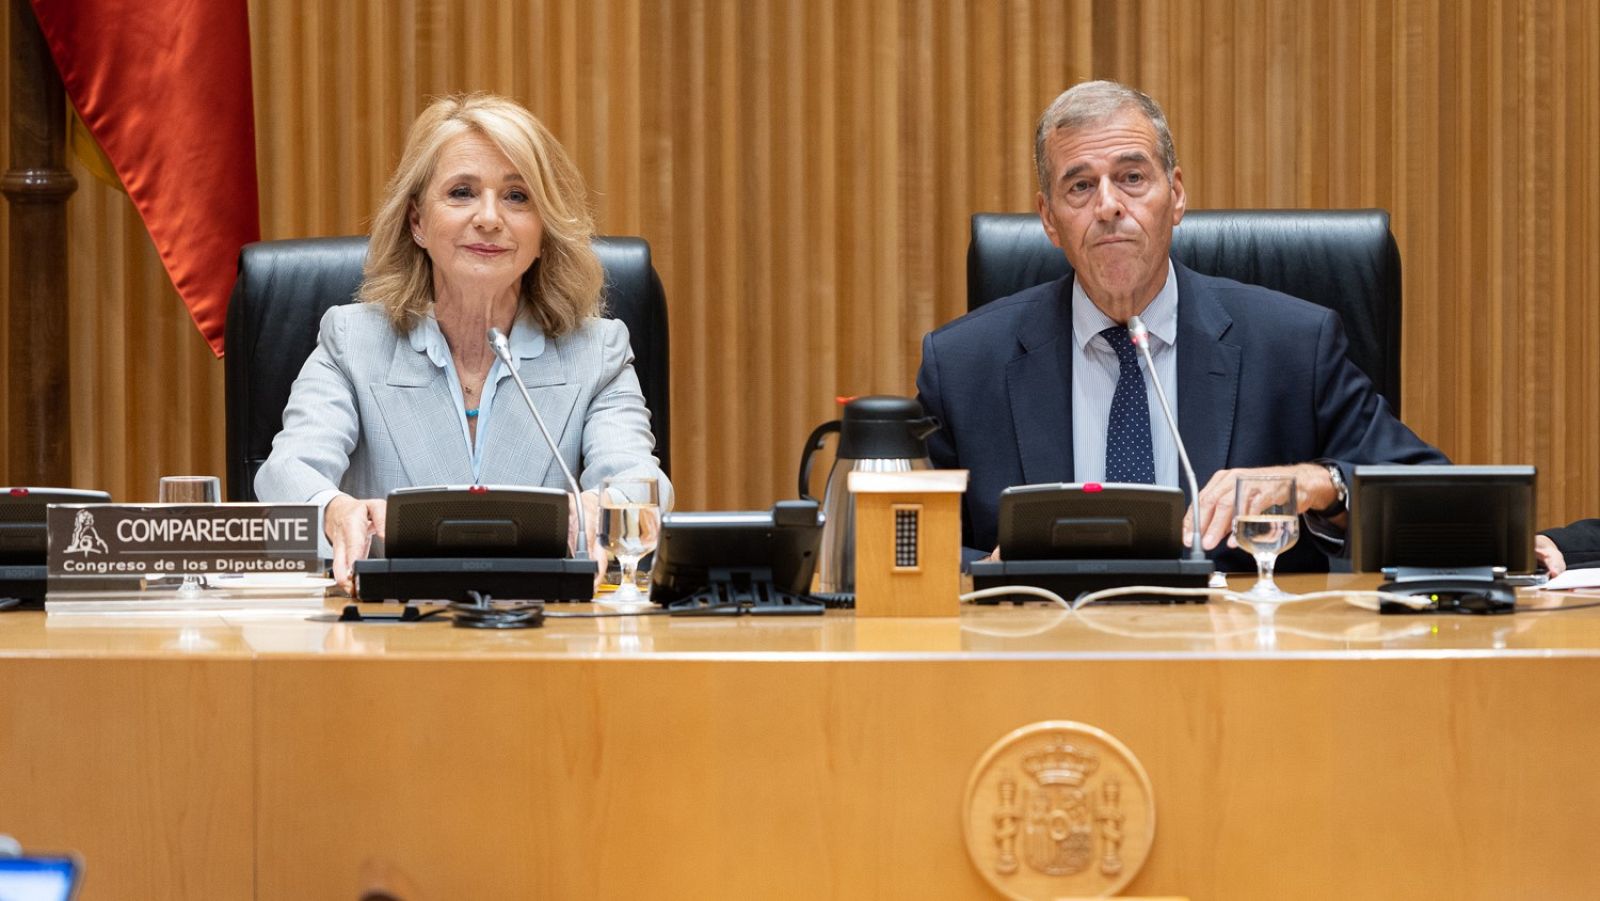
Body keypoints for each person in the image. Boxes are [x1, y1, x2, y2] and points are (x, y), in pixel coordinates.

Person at [914, 80, 1445, 571]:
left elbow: (1437, 500)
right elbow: (907, 548)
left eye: (1132, 178)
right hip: (1043, 655)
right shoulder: (963, 366)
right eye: (1079, 186)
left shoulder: (1293, 346)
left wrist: (1318, 482)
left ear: (1177, 194)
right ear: (1049, 218)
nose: (1108, 206)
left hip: (1235, 660)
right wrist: (987, 572)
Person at [256, 93, 671, 590]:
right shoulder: (353, 341)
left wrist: (600, 510)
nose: (490, 218)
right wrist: (334, 511)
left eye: (517, 197)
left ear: (543, 230)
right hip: (389, 632)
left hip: (548, 633)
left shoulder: (597, 351)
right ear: (417, 223)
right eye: (461, 193)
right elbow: (286, 474)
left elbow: (642, 490)